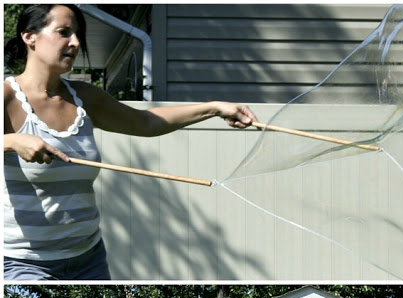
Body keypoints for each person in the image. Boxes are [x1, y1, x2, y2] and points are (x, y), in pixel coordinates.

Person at [4, 4, 257, 280]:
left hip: (88, 259)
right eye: (64, 32)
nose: (75, 43)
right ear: (30, 37)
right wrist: (10, 141)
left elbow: (145, 122)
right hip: (24, 263)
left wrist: (215, 108)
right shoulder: (7, 97)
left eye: (78, 34)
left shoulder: (84, 97)